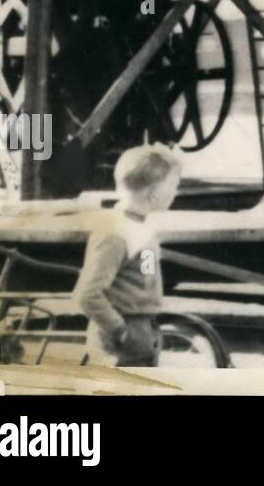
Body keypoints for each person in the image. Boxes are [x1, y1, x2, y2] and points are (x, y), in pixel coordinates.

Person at [73, 143, 182, 366]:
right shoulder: (114, 233)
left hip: (142, 334)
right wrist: (121, 331)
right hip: (120, 345)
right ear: (154, 193)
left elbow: (145, 278)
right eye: (173, 185)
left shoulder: (143, 227)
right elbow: (87, 294)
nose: (176, 192)